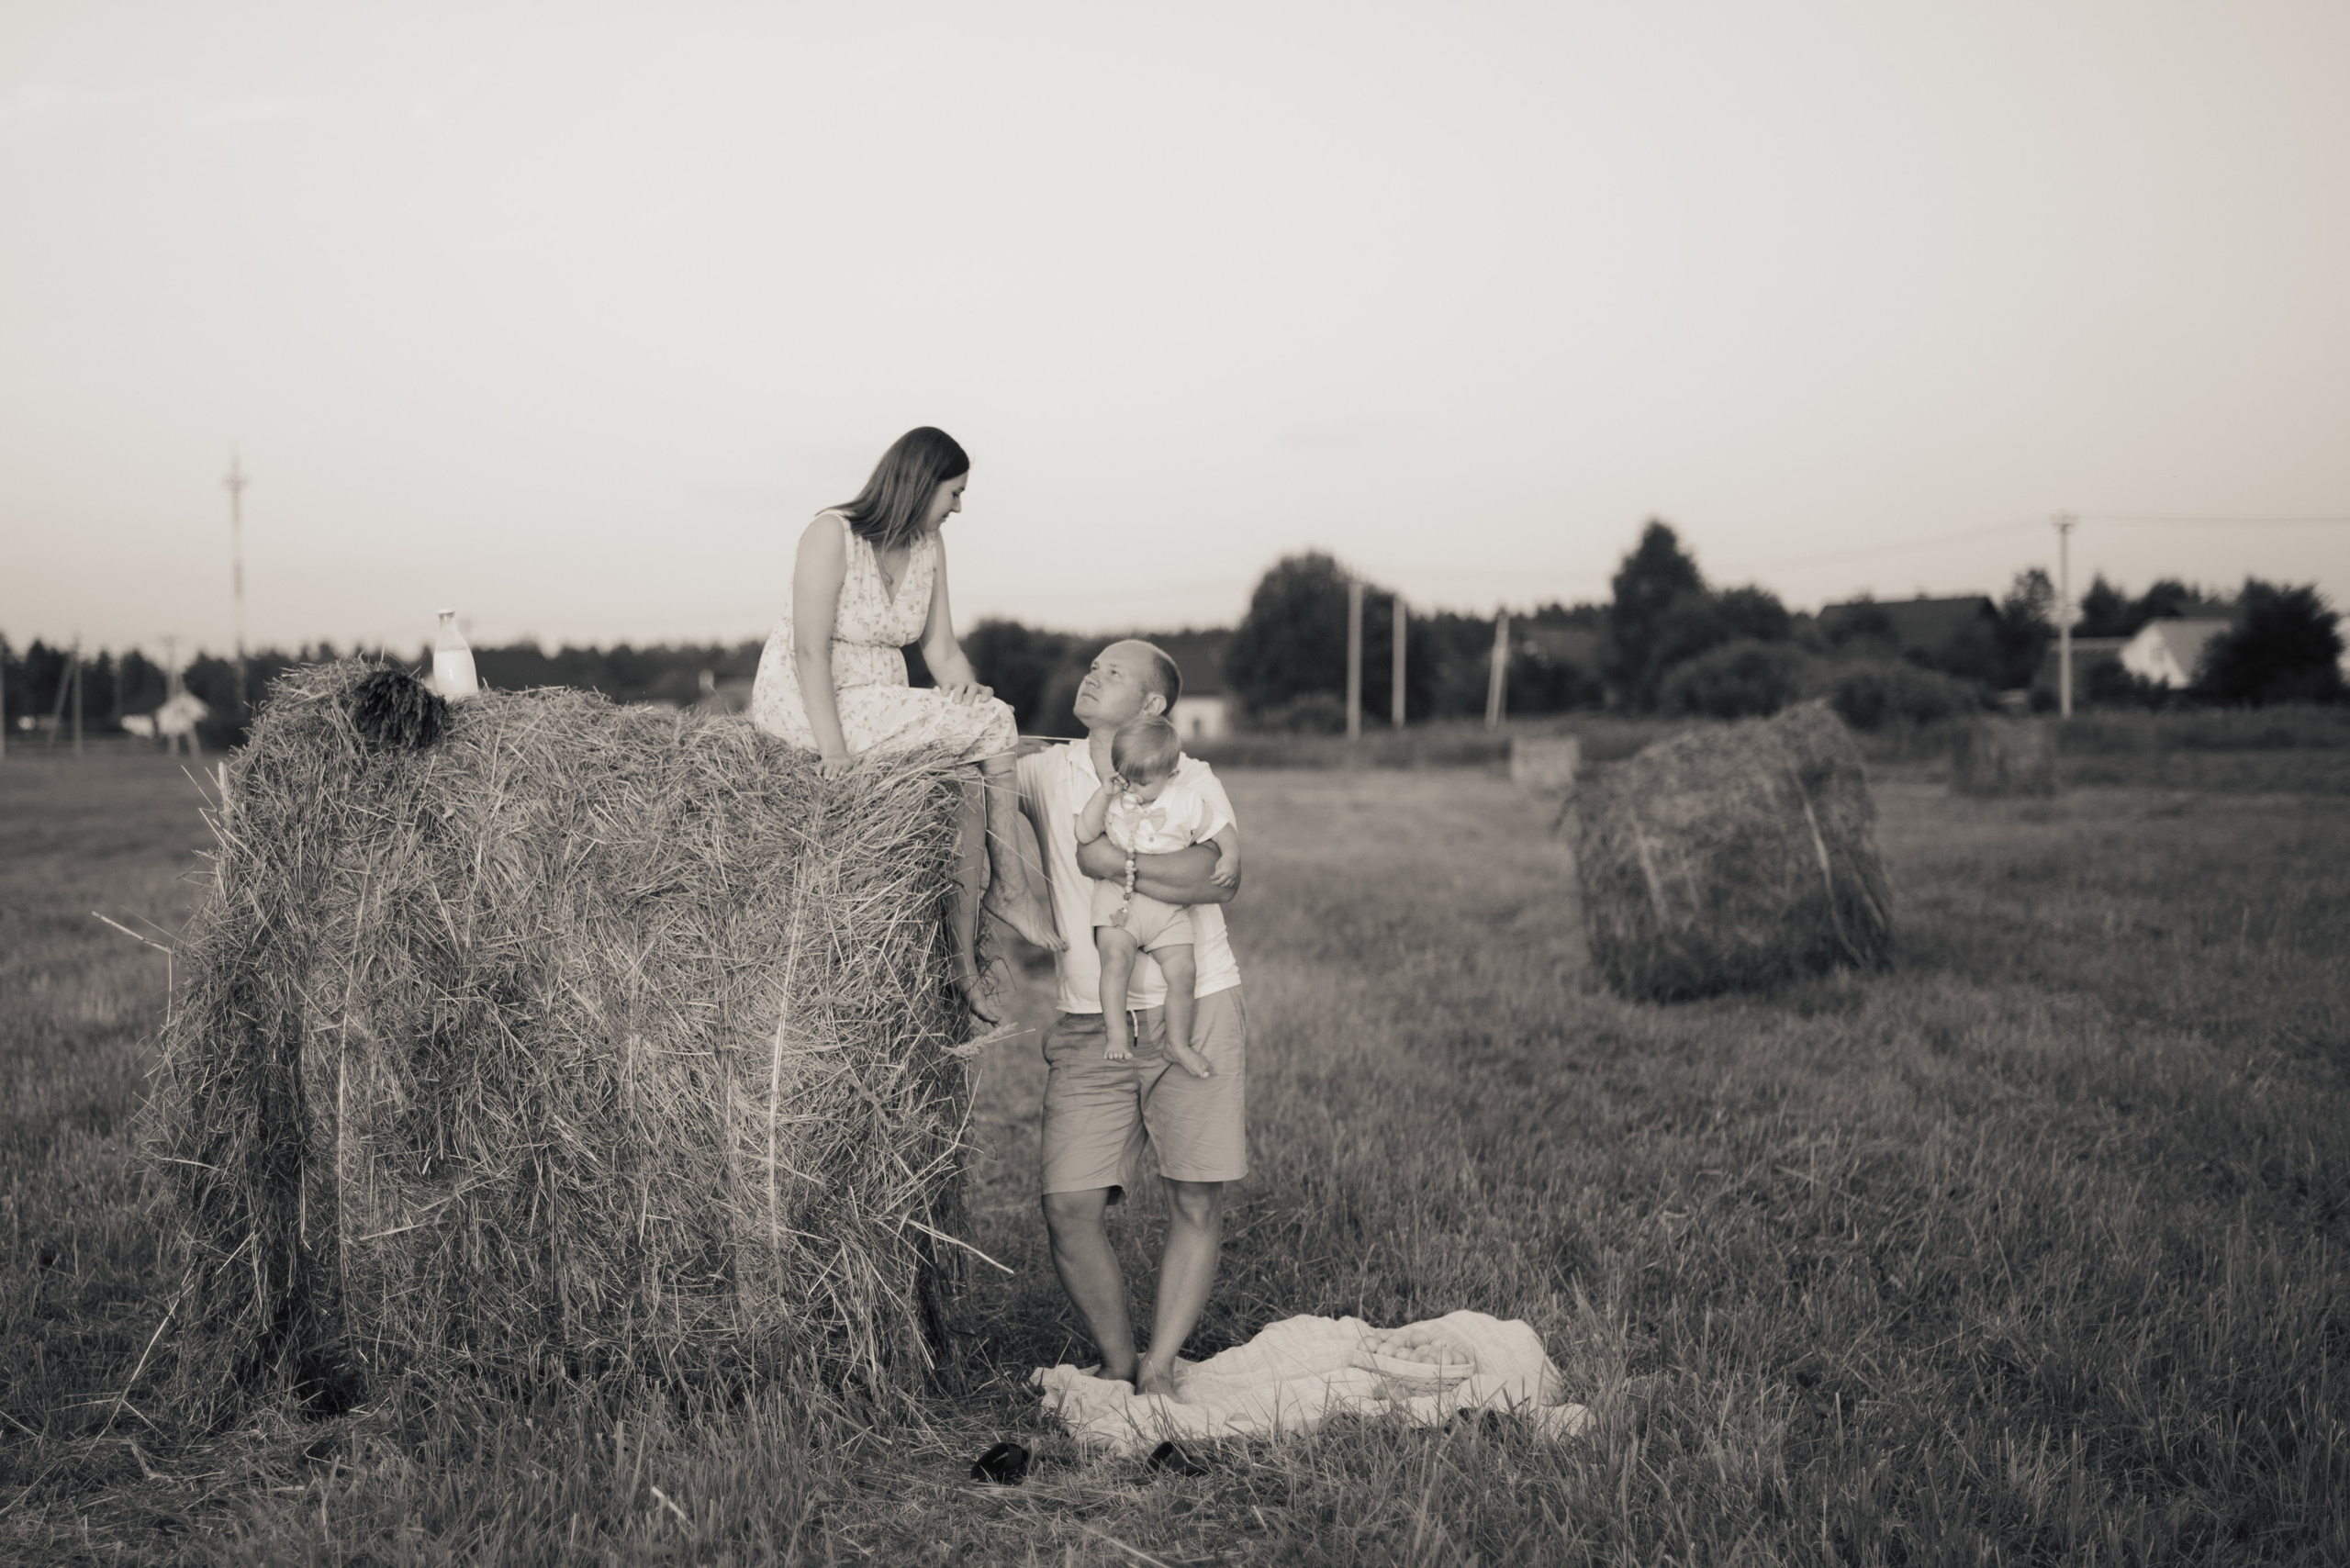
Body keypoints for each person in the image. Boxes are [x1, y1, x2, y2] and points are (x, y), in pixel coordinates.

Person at [751, 427, 1063, 1027]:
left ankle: (962, 967)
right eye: (955, 493)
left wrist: (964, 692)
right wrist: (834, 752)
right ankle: (1012, 889)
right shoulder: (830, 535)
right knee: (996, 722)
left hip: (880, 700)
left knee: (967, 790)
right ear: (921, 484)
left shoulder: (929, 547)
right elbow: (809, 651)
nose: (960, 508)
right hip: (811, 701)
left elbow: (942, 649)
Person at [1015, 641, 1247, 1400]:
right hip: (1090, 1018)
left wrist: (1117, 864)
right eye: (1093, 665)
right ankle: (1117, 1360)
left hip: (1196, 1000)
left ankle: (1159, 1364)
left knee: (1194, 1194)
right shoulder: (1045, 772)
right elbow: (958, 775)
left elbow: (1217, 877)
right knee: (1068, 1205)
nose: (1092, 674)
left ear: (1153, 706)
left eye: (1115, 672)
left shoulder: (1191, 775)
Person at [1075, 712, 1239, 1081]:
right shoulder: (1113, 798)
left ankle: (1177, 1043)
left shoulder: (1187, 801)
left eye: (1143, 782)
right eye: (1126, 778)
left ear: (1170, 774)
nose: (1132, 788)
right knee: (1115, 960)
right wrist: (1104, 795)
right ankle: (1116, 1032)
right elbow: (1084, 834)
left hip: (1168, 908)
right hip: (1120, 901)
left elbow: (1223, 832)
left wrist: (1230, 856)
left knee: (1183, 971)